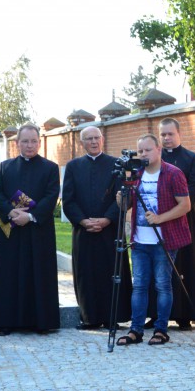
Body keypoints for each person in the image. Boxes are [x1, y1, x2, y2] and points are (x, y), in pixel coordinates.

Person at [115, 134, 191, 347]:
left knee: (162, 285)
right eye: (140, 151)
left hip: (163, 241)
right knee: (139, 286)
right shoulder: (136, 175)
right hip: (140, 242)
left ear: (159, 150)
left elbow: (185, 206)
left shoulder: (173, 174)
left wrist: (159, 219)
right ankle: (135, 330)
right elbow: (124, 206)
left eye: (147, 150)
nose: (143, 154)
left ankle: (161, 330)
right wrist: (122, 193)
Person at [0, 124, 60, 334]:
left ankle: (41, 322)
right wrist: (10, 212)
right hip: (12, 229)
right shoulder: (5, 167)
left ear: (39, 142)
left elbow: (51, 196)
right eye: (25, 141)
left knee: (39, 274)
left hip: (38, 230)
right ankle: (5, 321)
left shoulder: (50, 168)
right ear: (17, 143)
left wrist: (30, 216)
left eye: (33, 141)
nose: (29, 145)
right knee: (8, 274)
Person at [61, 126, 132, 329]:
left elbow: (122, 196)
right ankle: (89, 317)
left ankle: (113, 317)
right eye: (88, 139)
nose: (93, 142)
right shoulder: (73, 166)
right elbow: (68, 199)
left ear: (102, 140)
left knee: (111, 272)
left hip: (109, 230)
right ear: (82, 143)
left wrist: (107, 219)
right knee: (86, 274)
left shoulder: (116, 164)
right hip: (83, 230)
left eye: (96, 138)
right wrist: (83, 221)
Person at [157, 118, 195, 330]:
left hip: (185, 222)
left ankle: (185, 314)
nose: (167, 138)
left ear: (179, 134)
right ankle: (158, 313)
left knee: (185, 266)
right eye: (163, 135)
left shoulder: (192, 159)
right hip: (159, 224)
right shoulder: (153, 159)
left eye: (170, 134)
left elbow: (193, 192)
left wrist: (170, 211)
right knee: (160, 268)